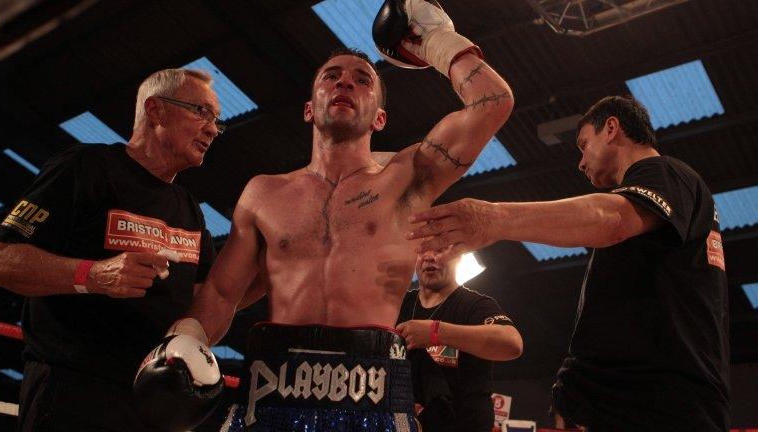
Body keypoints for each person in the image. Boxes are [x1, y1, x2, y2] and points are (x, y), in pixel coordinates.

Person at [144, 1, 515, 430]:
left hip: (374, 399)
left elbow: (492, 102)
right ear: (308, 108)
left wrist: (434, 40)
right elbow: (223, 295)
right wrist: (184, 340)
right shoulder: (263, 192)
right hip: (269, 397)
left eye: (362, 80)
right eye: (331, 76)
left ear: (379, 117)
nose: (345, 83)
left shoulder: (408, 178)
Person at [407, 96, 730, 431]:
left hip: (655, 407)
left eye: (583, 144)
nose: (580, 162)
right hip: (632, 403)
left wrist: (492, 218)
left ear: (611, 128)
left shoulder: (665, 173)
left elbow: (611, 219)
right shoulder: (655, 207)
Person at [0, 67, 222, 431]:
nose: (212, 128)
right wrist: (93, 275)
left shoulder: (191, 210)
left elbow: (207, 305)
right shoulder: (88, 167)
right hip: (72, 393)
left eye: (217, 120)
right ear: (156, 110)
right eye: (202, 112)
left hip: (152, 404)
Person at [396, 246, 522, 432]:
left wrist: (435, 332)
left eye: (440, 249)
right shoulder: (398, 304)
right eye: (423, 250)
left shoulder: (475, 305)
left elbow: (512, 344)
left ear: (460, 256)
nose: (430, 257)